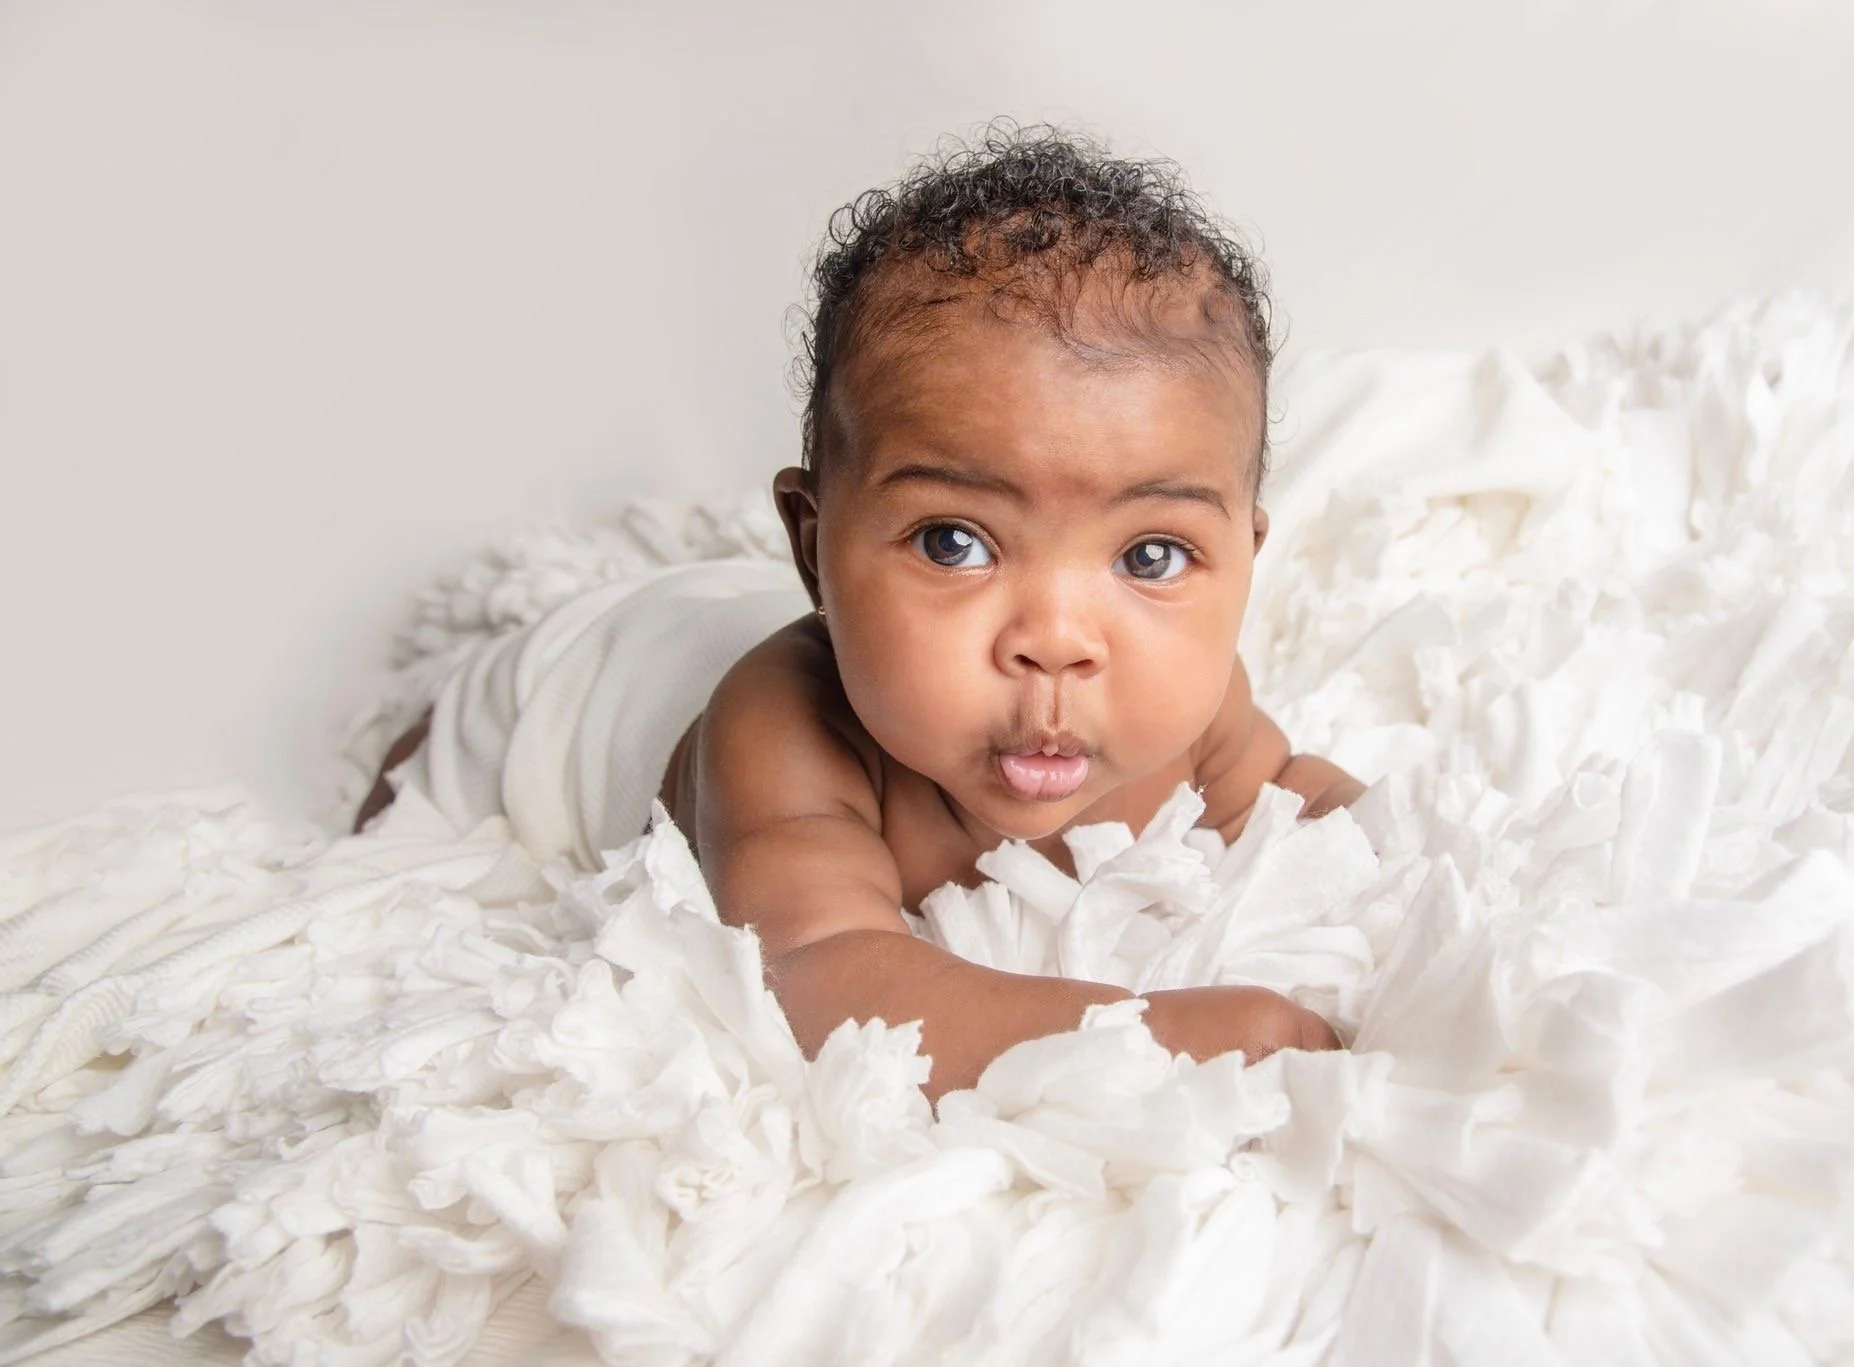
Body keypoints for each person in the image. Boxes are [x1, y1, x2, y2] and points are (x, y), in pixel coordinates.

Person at [359, 127, 1364, 1098]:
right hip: (578, 680)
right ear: (812, 544)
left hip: (734, 611)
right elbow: (821, 981)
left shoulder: (1187, 705)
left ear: (1241, 562)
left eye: (1151, 555)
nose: (1056, 640)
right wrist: (1146, 1035)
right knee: (406, 802)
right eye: (951, 541)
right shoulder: (781, 734)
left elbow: (1289, 794)